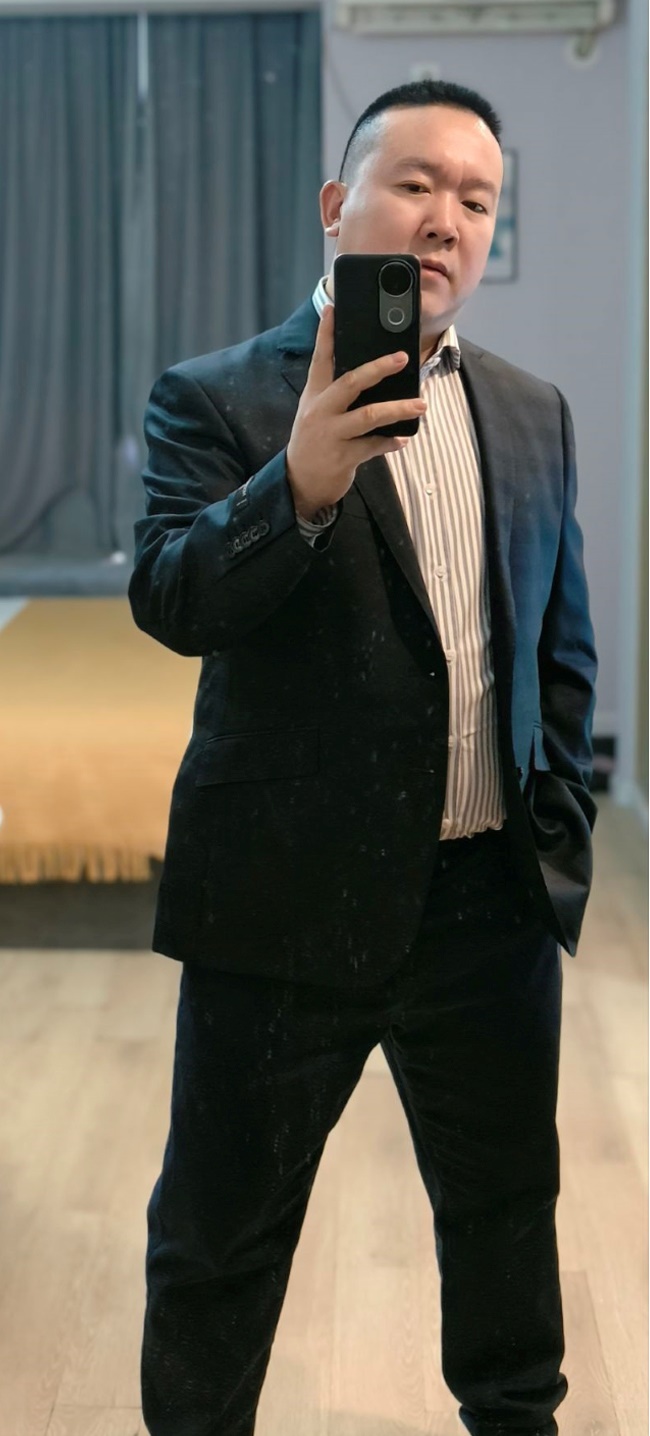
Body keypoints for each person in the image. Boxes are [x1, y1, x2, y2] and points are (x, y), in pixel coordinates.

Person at [129, 79, 597, 1436]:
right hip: (279, 909)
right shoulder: (214, 397)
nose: (445, 218)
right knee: (219, 1245)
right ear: (339, 206)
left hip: (484, 913)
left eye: (476, 199)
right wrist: (298, 487)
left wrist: (551, 837)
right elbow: (170, 599)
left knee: (507, 1234)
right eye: (415, 184)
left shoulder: (531, 411)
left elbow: (557, 647)